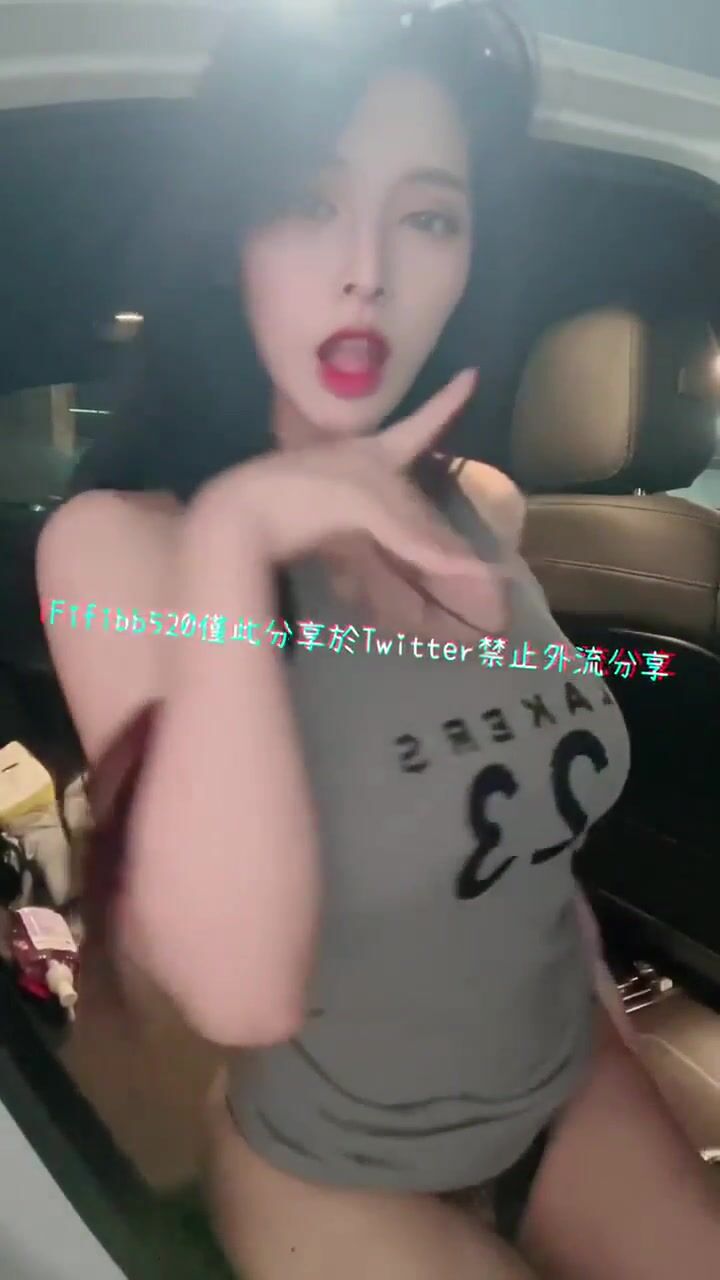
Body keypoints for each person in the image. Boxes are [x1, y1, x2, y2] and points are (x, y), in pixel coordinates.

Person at [37, 3, 720, 1278]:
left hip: (563, 1075)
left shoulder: (485, 508)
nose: (368, 270)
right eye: (308, 202)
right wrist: (243, 533)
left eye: (429, 217)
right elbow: (240, 990)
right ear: (232, 240)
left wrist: (601, 1016)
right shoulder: (127, 546)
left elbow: (522, 840)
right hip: (328, 1160)